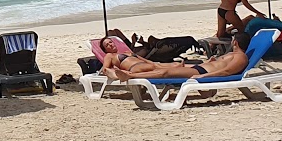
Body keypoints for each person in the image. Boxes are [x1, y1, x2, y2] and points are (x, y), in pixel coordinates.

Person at [104, 42, 253, 82]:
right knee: (164, 69)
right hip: (200, 68)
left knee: (165, 72)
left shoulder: (240, 57)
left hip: (202, 72)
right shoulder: (233, 54)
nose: (110, 45)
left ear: (235, 42)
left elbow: (227, 72)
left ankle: (130, 77)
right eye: (107, 44)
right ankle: (129, 75)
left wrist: (204, 77)